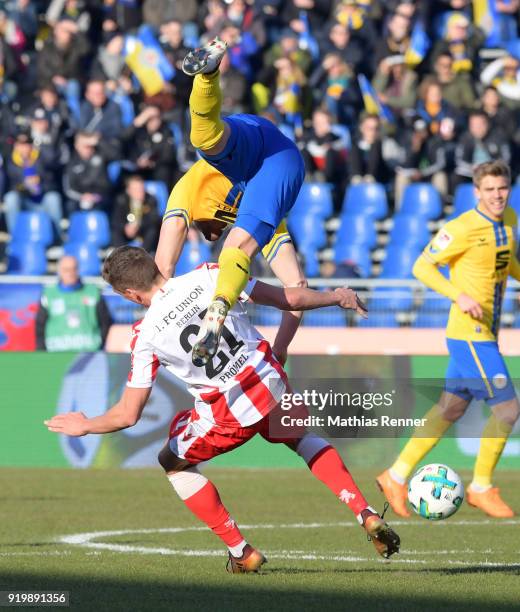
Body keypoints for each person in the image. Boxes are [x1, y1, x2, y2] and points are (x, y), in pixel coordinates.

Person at [44, 245, 400, 572]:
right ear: (155, 266)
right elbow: (286, 297)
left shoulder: (145, 335)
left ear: (130, 295)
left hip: (230, 412)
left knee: (172, 461)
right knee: (300, 436)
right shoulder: (210, 274)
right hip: (269, 379)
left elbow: (128, 414)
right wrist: (335, 296)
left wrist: (86, 424)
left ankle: (241, 552)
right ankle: (364, 512)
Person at [377, 160, 520, 519]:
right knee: (508, 408)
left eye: (502, 188)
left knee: (450, 408)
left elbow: (505, 262)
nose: (497, 195)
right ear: (477, 192)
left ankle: (394, 477)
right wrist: (459, 295)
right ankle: (481, 486)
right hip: (468, 335)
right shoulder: (462, 228)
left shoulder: (510, 221)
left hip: (485, 333)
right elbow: (421, 267)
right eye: (489, 189)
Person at [155, 38, 306, 369]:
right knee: (235, 247)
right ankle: (217, 313)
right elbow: (296, 285)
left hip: (256, 150)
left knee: (204, 140)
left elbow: (162, 269)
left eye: (210, 231)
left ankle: (208, 74)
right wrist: (280, 349)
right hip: (276, 160)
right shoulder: (253, 210)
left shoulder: (185, 194)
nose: (215, 232)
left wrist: (154, 324)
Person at [36, 254, 112, 351]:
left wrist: (100, 345)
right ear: (59, 271)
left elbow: (105, 322)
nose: (70, 273)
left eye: (73, 269)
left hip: (88, 353)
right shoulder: (48, 294)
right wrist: (42, 351)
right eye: (66, 270)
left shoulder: (93, 292)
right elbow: (40, 326)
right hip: (55, 353)